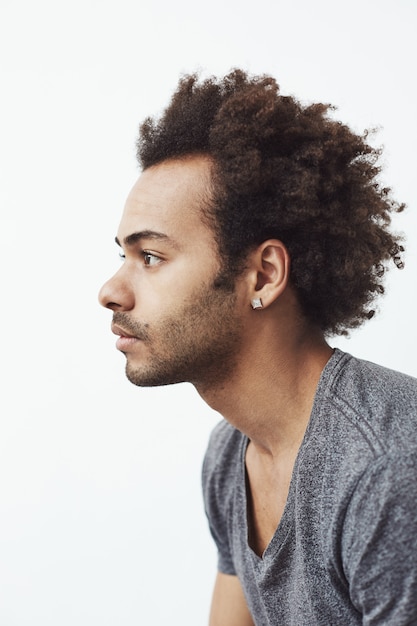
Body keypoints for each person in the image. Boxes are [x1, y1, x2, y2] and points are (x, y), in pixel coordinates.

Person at [98, 70, 417, 625]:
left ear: (264, 275)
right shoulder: (230, 458)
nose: (110, 291)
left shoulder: (387, 471)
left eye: (150, 256)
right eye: (123, 256)